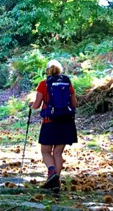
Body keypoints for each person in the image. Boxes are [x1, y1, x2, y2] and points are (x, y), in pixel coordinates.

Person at [30, 59, 78, 191]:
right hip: (66, 122)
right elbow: (74, 103)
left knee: (45, 151)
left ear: (47, 71)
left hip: (49, 122)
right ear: (60, 70)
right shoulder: (67, 82)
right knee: (57, 153)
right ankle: (56, 182)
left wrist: (31, 104)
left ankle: (51, 172)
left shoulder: (43, 84)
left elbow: (36, 105)